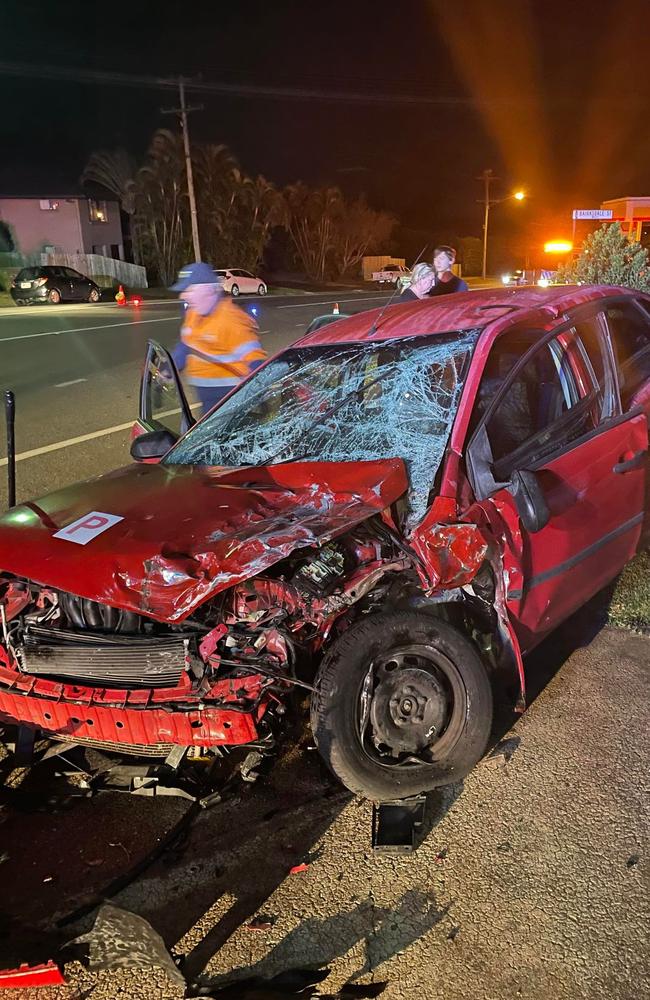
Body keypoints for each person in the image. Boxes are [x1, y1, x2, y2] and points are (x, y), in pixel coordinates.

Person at [170, 262, 266, 415]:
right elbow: (186, 344)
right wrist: (169, 369)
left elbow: (256, 361)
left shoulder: (231, 319)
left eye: (190, 289)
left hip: (230, 404)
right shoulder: (193, 313)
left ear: (209, 289)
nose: (183, 295)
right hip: (207, 399)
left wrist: (262, 392)